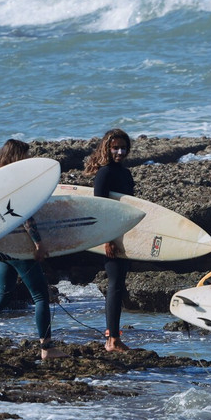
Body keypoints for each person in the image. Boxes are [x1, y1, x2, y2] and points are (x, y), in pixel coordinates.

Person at [0, 140, 65, 362]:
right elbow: (24, 216)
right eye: (25, 155)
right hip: (18, 247)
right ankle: (47, 348)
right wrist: (38, 243)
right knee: (41, 296)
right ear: (17, 156)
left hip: (2, 246)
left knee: (2, 296)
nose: (27, 160)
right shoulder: (14, 182)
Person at [83, 128, 135, 352]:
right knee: (114, 286)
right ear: (107, 148)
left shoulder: (125, 173)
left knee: (119, 284)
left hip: (122, 233)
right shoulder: (104, 173)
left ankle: (114, 337)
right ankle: (112, 340)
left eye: (123, 148)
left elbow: (129, 207)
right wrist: (107, 239)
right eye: (115, 148)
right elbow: (100, 209)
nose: (120, 152)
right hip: (110, 235)